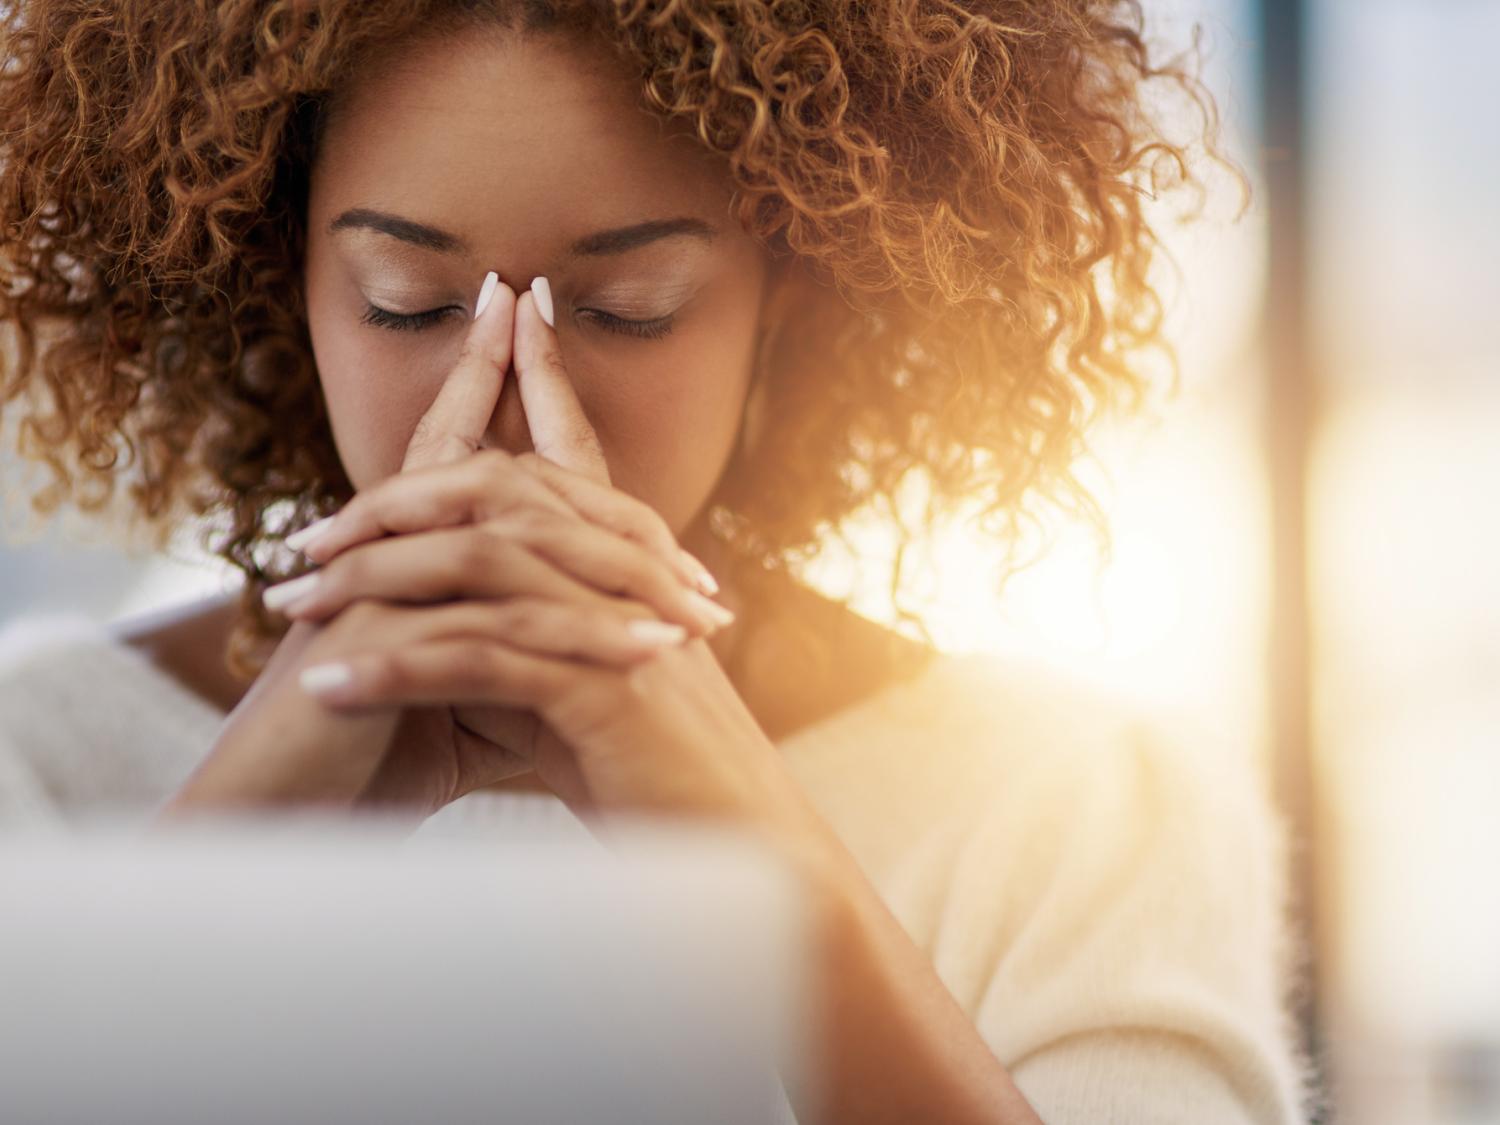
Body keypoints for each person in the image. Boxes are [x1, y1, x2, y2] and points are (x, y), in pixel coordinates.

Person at [0, 1, 1313, 1121]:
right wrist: (228, 856)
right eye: (406, 298)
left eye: (630, 313)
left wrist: (754, 847)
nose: (506, 400)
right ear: (283, 282)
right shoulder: (36, 761)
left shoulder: (1080, 811)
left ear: (787, 309)